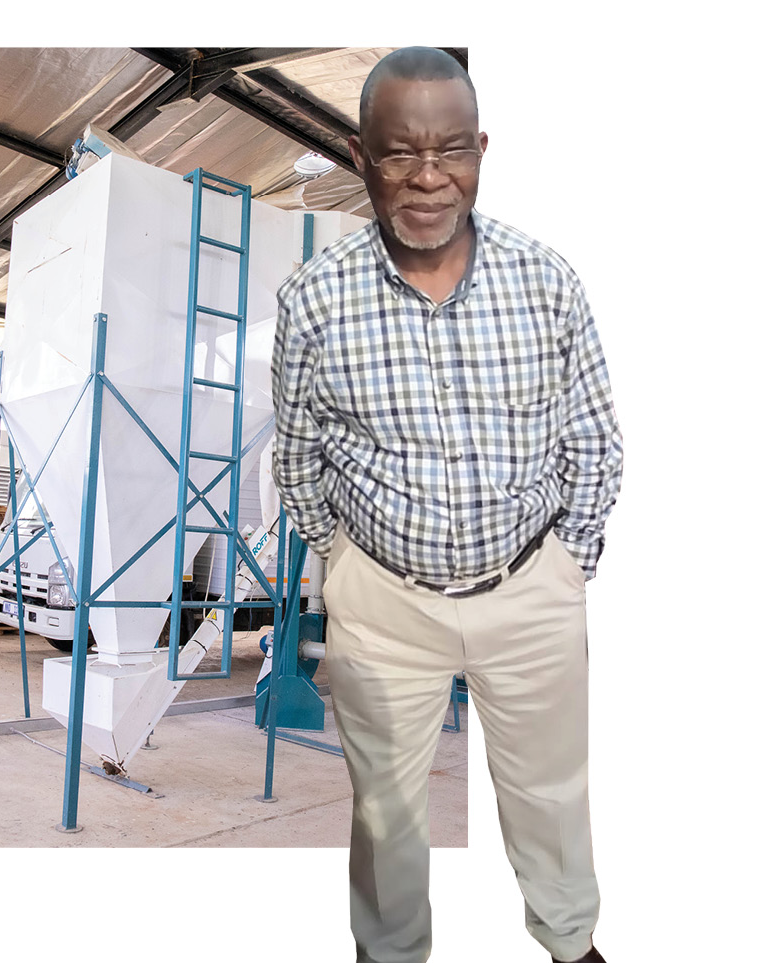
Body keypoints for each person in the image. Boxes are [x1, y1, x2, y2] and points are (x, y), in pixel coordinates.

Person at [270, 46, 622, 963]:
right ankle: (390, 952)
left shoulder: (546, 280)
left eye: (452, 150)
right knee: (385, 808)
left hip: (529, 588)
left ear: (481, 150)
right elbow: (299, 451)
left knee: (550, 793)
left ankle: (569, 937)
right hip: (385, 606)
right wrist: (343, 566)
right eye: (400, 153)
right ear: (360, 156)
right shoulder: (313, 301)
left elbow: (593, 438)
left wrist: (564, 564)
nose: (430, 179)